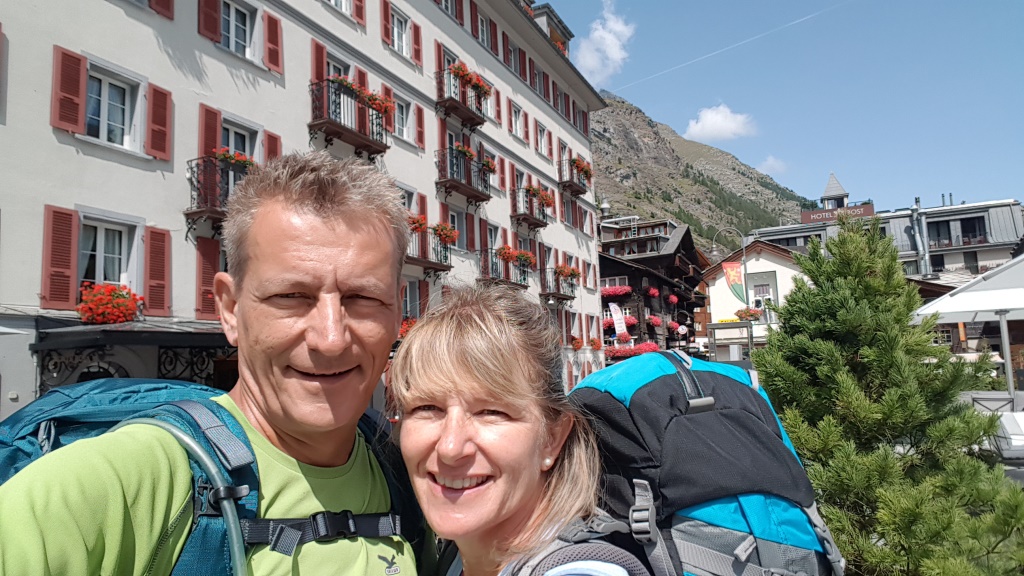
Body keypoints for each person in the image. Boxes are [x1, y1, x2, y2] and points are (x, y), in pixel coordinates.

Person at [0, 152, 422, 575]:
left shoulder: (412, 480)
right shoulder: (118, 479)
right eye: (291, 297)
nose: (330, 339)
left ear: (396, 311)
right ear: (230, 309)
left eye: (363, 298)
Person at [388, 285, 644, 576]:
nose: (450, 447)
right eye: (427, 408)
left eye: (491, 412)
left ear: (552, 438)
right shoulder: (459, 556)